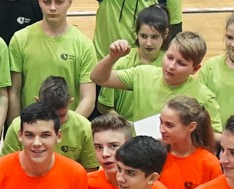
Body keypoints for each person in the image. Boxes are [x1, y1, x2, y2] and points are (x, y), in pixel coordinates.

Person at [7, 0, 96, 124]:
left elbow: (88, 98)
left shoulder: (84, 45)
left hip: (67, 130)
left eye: (59, 2)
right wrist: (18, 126)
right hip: (31, 128)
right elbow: (14, 92)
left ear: (70, 2)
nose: (52, 8)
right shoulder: (20, 39)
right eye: (47, 2)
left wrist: (65, 126)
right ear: (39, 1)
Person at [90, 31, 224, 128]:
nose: (171, 66)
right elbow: (98, 78)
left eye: (181, 63)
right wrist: (112, 57)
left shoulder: (204, 97)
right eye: (169, 57)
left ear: (195, 69)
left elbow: (215, 137)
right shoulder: (142, 74)